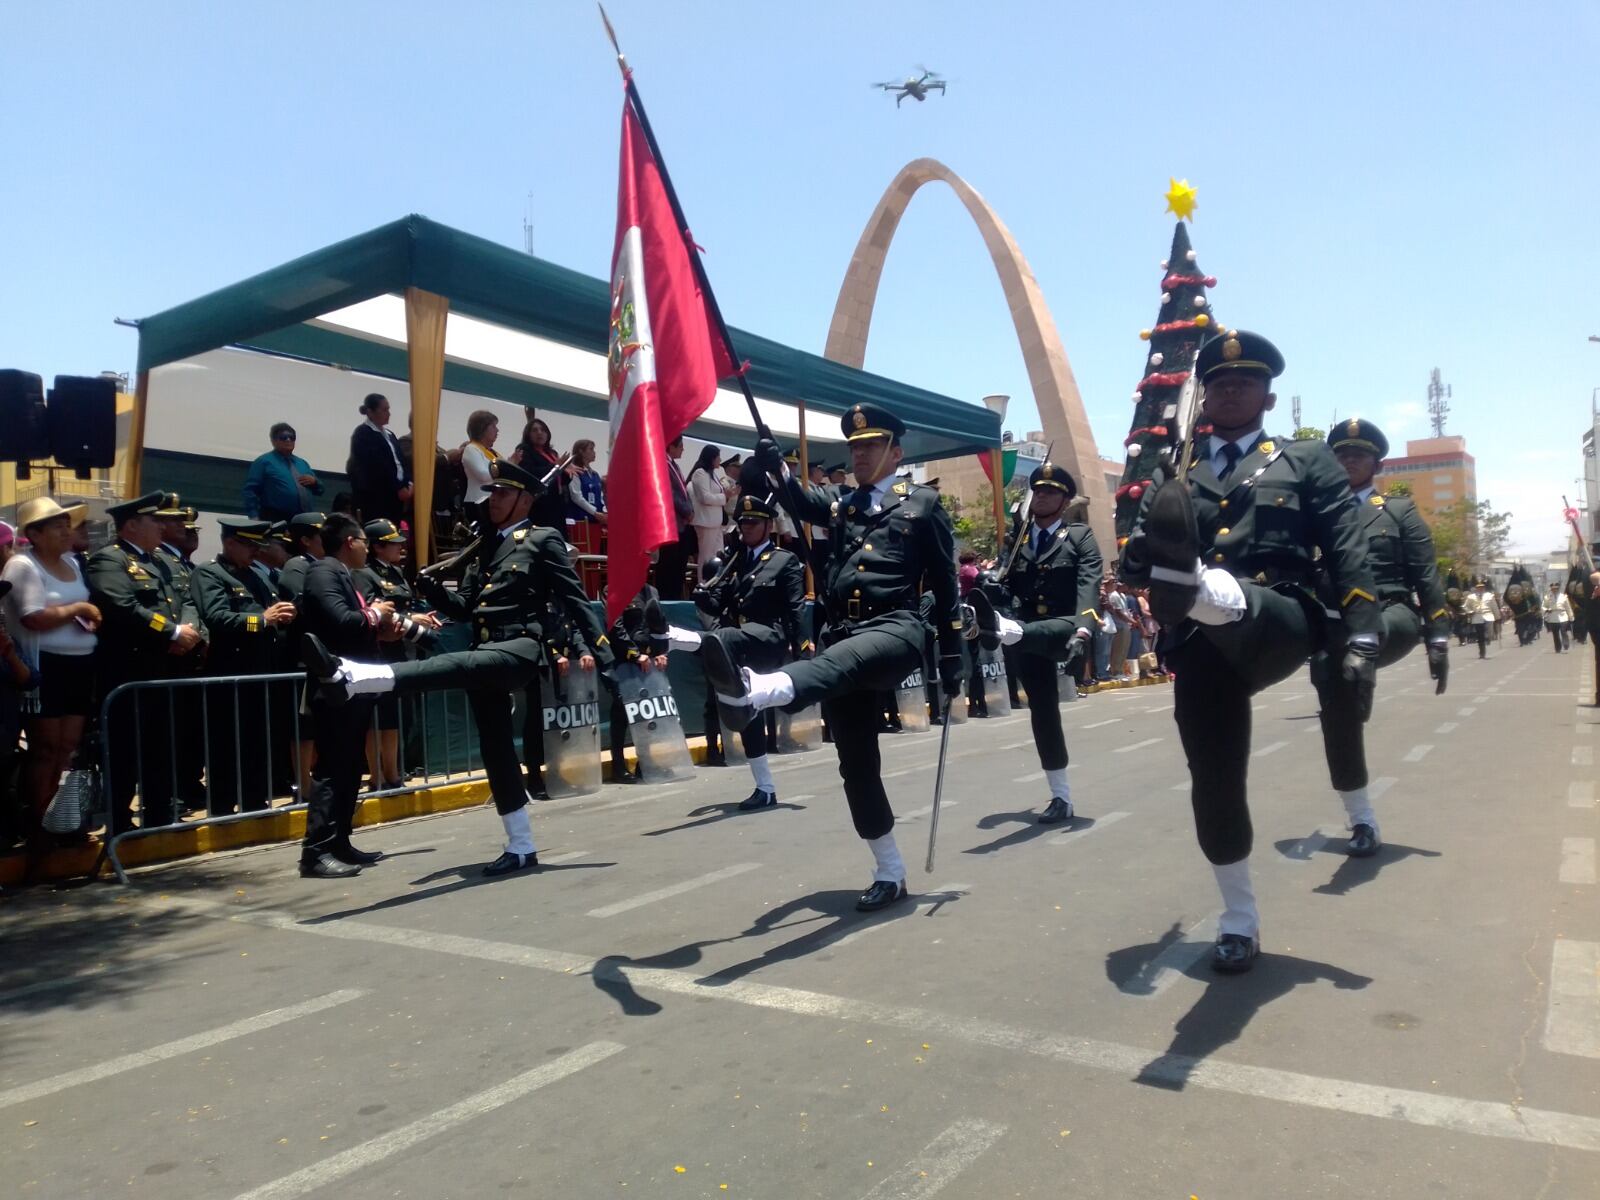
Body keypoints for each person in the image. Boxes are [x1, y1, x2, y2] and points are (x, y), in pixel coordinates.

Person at [1119, 329, 1381, 973]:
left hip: (1281, 616)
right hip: (1202, 643)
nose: (1230, 391)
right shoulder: (1175, 474)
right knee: (1213, 781)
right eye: (1219, 384)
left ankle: (1196, 585)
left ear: (1267, 396)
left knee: (1229, 595)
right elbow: (1131, 562)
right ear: (1204, 397)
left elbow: (1346, 545)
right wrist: (1143, 549)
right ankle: (1239, 921)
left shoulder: (1307, 460)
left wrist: (1364, 629)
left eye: (1245, 383)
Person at [703, 405, 963, 911]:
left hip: (896, 627)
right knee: (856, 765)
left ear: (895, 452)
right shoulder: (843, 504)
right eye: (854, 447)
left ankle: (756, 690)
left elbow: (948, 584)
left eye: (870, 445)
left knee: (838, 664)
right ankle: (890, 870)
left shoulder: (924, 504)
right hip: (844, 630)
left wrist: (952, 653)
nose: (860, 453)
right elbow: (801, 499)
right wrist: (777, 466)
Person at [302, 460, 613, 876]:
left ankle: (356, 676)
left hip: (519, 647)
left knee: (453, 665)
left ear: (524, 499)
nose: (494, 499)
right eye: (493, 493)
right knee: (495, 748)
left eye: (503, 493)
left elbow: (574, 598)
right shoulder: (485, 546)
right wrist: (432, 588)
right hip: (486, 646)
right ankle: (521, 845)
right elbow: (465, 607)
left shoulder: (543, 539)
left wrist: (605, 653)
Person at [1312, 418, 1450, 859]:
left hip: (1393, 613)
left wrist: (1439, 637)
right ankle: (1362, 820)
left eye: (1360, 454)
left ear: (1376, 463)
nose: (1350, 461)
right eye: (1342, 454)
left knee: (1370, 634)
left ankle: (1364, 657)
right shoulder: (1312, 512)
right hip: (1335, 623)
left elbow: (1425, 574)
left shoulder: (1398, 510)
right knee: (1338, 717)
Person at [969, 462, 1103, 823]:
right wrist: (995, 585)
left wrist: (1084, 629)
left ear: (1064, 500)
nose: (1040, 497)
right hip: (1025, 629)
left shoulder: (1079, 537)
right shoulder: (1019, 541)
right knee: (1043, 712)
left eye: (1049, 492)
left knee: (1024, 631)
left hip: (1065, 625)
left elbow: (1089, 584)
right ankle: (1061, 797)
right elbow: (1006, 583)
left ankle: (1001, 630)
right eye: (1037, 491)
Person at [669, 495, 810, 810]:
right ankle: (766, 788)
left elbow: (796, 608)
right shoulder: (735, 558)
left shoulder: (784, 560)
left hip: (767, 638)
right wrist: (704, 594)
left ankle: (672, 638)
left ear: (768, 526)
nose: (746, 528)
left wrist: (801, 647)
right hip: (738, 644)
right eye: (743, 522)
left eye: (753, 522)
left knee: (722, 638)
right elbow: (717, 602)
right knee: (749, 715)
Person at [88, 492, 205, 833]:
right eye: (154, 520)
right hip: (129, 669)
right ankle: (120, 821)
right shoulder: (109, 560)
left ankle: (159, 814)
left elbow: (186, 600)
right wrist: (170, 632)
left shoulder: (162, 562)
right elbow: (121, 606)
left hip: (166, 668)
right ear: (131, 525)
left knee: (162, 745)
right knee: (126, 749)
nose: (162, 526)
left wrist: (189, 630)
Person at [297, 513, 398, 877]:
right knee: (331, 769)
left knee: (350, 766)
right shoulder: (323, 572)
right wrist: (375, 613)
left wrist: (384, 626)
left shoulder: (342, 573)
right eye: (364, 541)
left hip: (353, 686)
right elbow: (341, 621)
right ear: (349, 542)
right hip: (334, 687)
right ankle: (315, 851)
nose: (367, 548)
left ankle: (340, 841)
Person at [2, 498, 96, 854]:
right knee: (45, 748)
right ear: (34, 534)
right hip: (45, 667)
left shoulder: (72, 562)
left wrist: (81, 617)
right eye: (54, 524)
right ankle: (39, 825)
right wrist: (78, 608)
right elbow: (32, 617)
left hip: (79, 664)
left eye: (65, 522)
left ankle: (61, 821)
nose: (64, 529)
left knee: (66, 748)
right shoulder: (23, 565)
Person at [192, 520, 299, 813]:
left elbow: (272, 610)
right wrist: (263, 620)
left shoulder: (256, 576)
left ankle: (255, 799)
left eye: (259, 545)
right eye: (250, 545)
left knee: (258, 739)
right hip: (230, 671)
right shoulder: (210, 574)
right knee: (226, 742)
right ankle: (224, 806)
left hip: (262, 669)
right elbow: (217, 617)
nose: (256, 551)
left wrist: (283, 615)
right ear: (229, 543)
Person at [353, 518, 440, 789]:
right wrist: (410, 617)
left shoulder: (396, 573)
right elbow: (371, 609)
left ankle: (393, 772)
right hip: (378, 652)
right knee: (376, 717)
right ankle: (377, 774)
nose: (400, 549)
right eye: (393, 545)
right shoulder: (364, 574)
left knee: (394, 716)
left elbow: (404, 604)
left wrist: (419, 618)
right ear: (377, 547)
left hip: (400, 649)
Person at [277, 513, 327, 798]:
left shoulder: (323, 565)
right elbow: (304, 603)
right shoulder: (297, 566)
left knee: (318, 725)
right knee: (304, 727)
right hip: (304, 655)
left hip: (323, 655)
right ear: (306, 540)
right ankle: (304, 786)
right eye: (320, 535)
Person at [601, 583, 668, 785]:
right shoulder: (612, 588)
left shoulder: (652, 591)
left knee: (647, 715)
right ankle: (618, 766)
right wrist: (635, 654)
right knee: (621, 713)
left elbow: (659, 625)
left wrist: (660, 652)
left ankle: (645, 763)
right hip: (624, 660)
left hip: (648, 660)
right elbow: (615, 626)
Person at [347, 393, 412, 522]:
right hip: (377, 498)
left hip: (396, 498)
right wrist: (398, 487)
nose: (388, 413)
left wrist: (408, 483)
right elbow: (379, 466)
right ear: (370, 412)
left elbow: (401, 462)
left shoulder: (390, 435)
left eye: (388, 409)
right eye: (384, 410)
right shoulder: (363, 434)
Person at [242, 423, 322, 522]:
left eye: (292, 437)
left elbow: (320, 489)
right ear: (273, 441)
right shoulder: (264, 462)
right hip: (275, 517)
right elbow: (250, 491)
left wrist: (315, 482)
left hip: (302, 519)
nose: (288, 440)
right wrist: (254, 516)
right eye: (283, 437)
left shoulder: (302, 463)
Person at [656, 435, 695, 600]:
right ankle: (667, 599)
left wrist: (690, 510)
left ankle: (676, 597)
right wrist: (686, 510)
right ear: (671, 447)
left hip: (681, 524)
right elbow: (670, 493)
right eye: (680, 446)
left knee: (680, 566)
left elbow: (684, 492)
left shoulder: (674, 466)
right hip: (671, 523)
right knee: (669, 566)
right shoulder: (662, 465)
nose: (683, 449)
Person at [515, 415, 567, 530]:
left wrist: (567, 470)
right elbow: (529, 473)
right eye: (535, 430)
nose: (540, 433)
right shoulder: (524, 449)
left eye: (543, 430)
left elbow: (561, 479)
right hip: (538, 503)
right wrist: (555, 466)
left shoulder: (552, 453)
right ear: (528, 434)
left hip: (556, 502)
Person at [687, 445, 732, 570]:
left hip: (716, 523)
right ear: (711, 458)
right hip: (705, 522)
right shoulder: (700, 473)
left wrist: (728, 495)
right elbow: (704, 497)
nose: (720, 460)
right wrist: (724, 497)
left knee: (718, 555)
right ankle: (703, 583)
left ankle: (715, 584)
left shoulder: (712, 474)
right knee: (706, 557)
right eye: (718, 457)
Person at [461, 410, 503, 509]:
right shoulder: (471, 448)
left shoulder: (494, 453)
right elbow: (483, 475)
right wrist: (507, 469)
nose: (497, 430)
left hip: (493, 501)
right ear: (482, 428)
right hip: (478, 503)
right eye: (493, 426)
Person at [566, 439, 607, 533]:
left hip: (596, 520)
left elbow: (600, 496)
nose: (594, 452)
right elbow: (576, 497)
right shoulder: (575, 471)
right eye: (591, 449)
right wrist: (595, 512)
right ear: (581, 451)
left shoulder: (595, 474)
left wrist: (604, 511)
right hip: (580, 520)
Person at [1462, 580, 1494, 659]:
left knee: (1489, 633)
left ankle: (1488, 639)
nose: (1480, 589)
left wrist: (1498, 616)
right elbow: (1465, 606)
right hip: (1477, 618)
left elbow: (1494, 606)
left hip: (1488, 617)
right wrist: (1470, 611)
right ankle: (1482, 652)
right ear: (1476, 589)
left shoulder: (1489, 596)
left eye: (1482, 587)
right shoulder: (1471, 597)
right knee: (1480, 636)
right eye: (1479, 588)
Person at [1547, 581, 1574, 652]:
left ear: (1558, 589)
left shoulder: (1563, 597)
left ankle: (1565, 644)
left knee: (1563, 631)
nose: (1554, 590)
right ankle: (1558, 648)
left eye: (1556, 588)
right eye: (1553, 589)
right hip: (1553, 617)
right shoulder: (1548, 597)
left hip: (1563, 616)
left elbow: (1568, 607)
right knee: (1555, 634)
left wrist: (1571, 616)